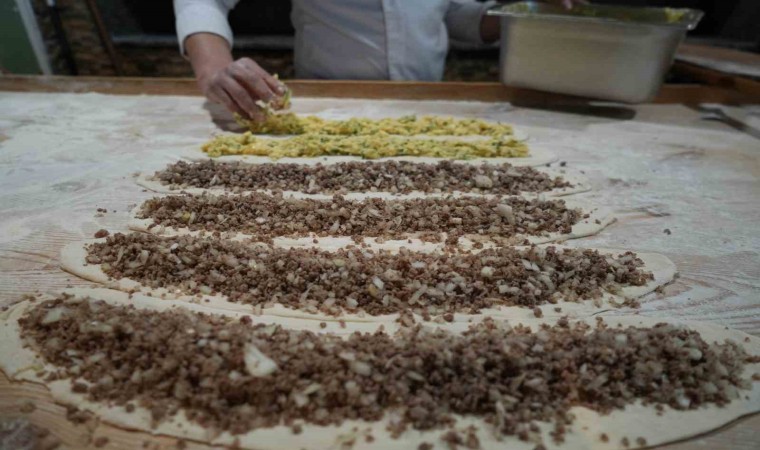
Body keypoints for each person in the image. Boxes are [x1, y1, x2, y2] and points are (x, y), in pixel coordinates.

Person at [174, 0, 583, 119]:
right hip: (322, 111)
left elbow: (458, 17)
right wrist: (213, 68)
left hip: (430, 110)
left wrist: (529, 10)